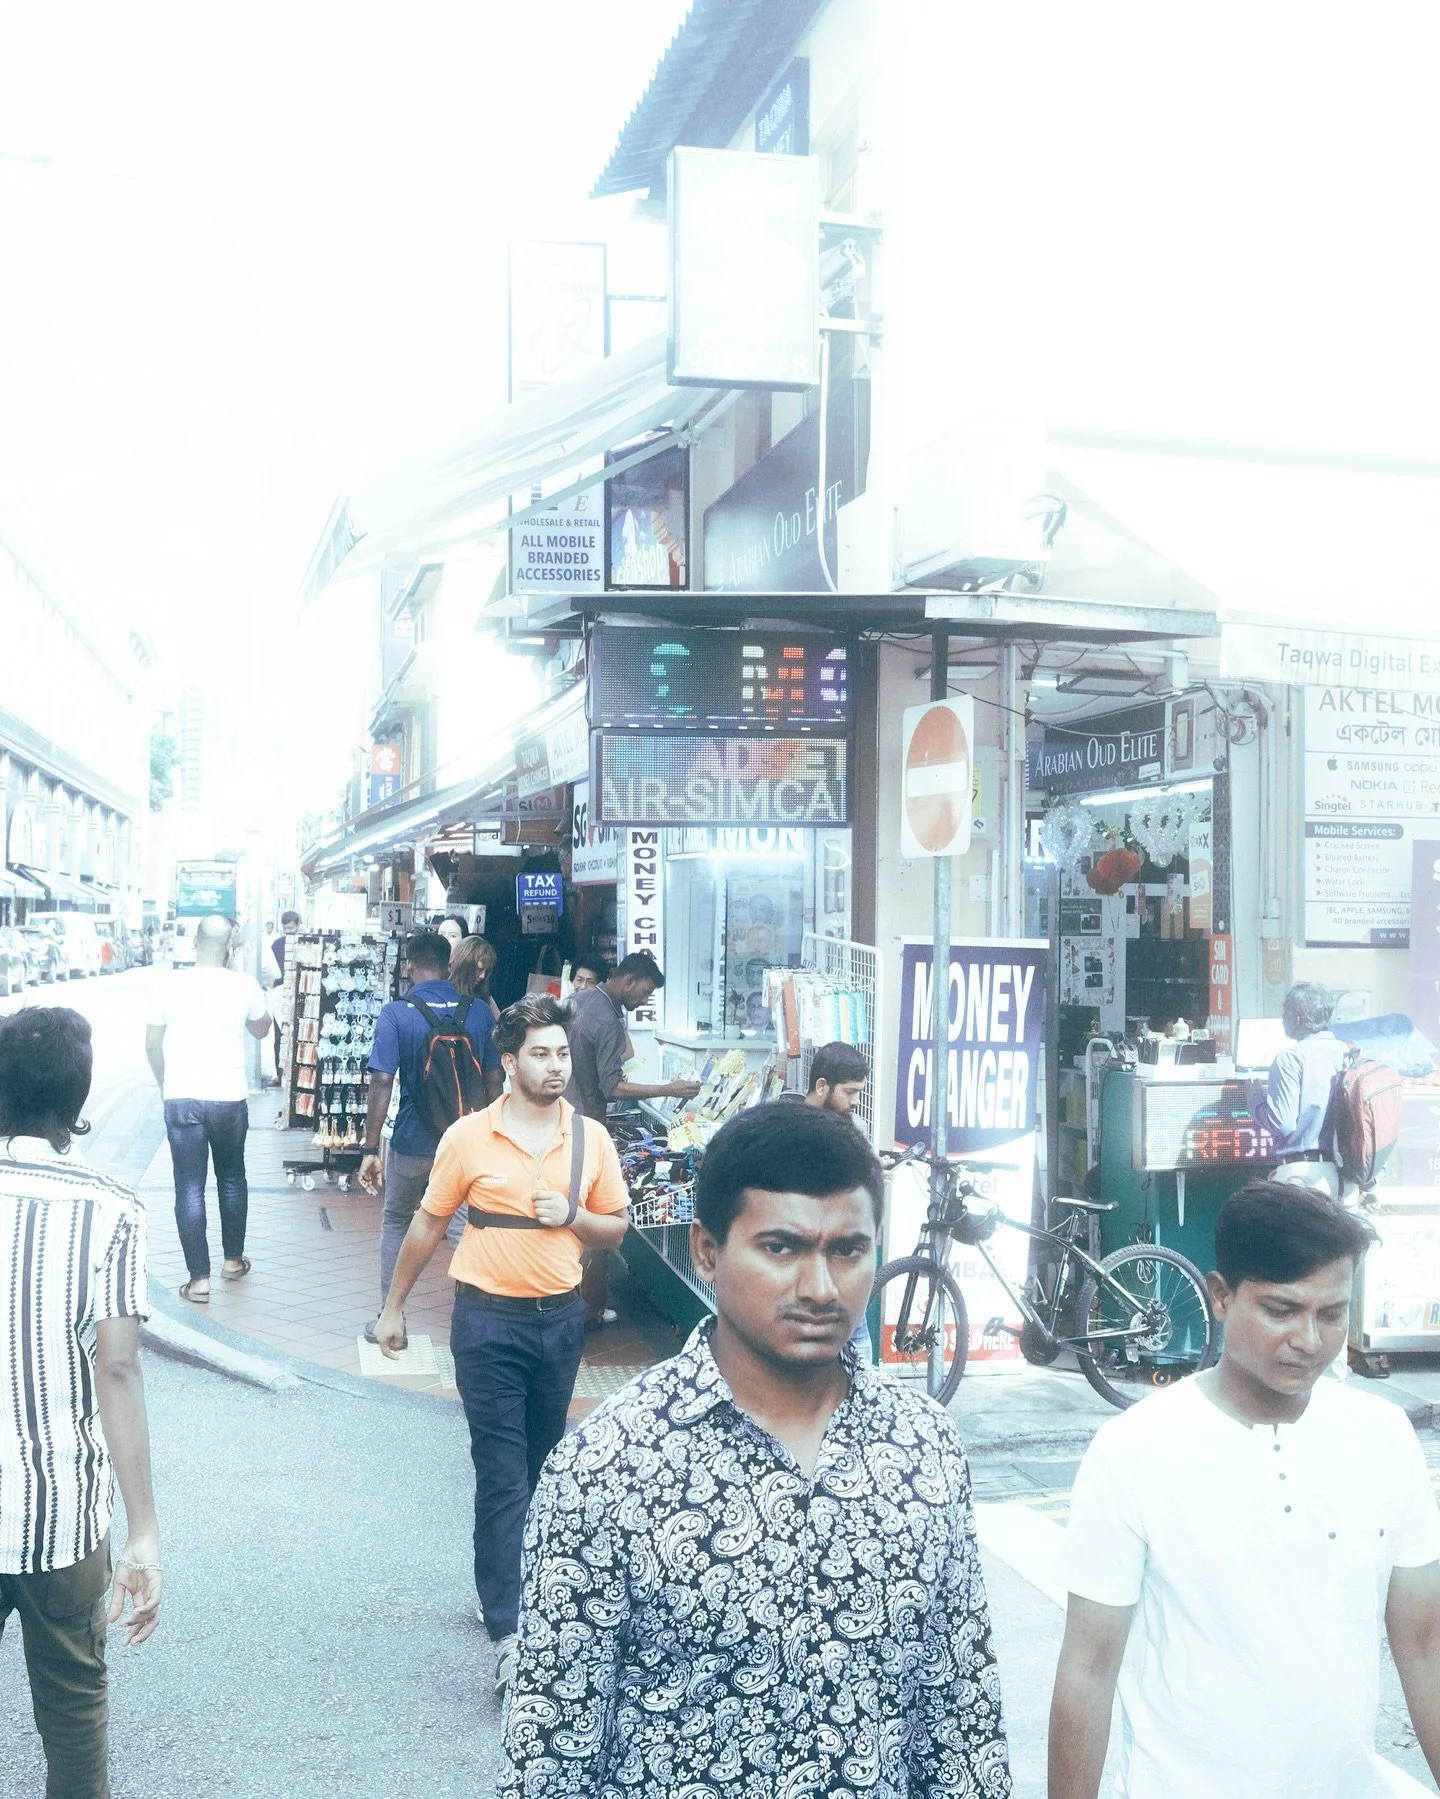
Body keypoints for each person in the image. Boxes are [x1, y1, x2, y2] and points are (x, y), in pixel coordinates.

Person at [499, 1102, 1012, 1795]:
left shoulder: (925, 1447)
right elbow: (549, 1758)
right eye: (781, 1248)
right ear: (707, 1251)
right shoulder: (606, 1467)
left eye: (847, 1250)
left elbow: (963, 1721)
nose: (820, 1288)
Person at [1049, 1179, 1440, 1799]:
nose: (1309, 1340)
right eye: (1281, 1310)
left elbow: (1424, 1643)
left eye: (1331, 1314)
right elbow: (1088, 1668)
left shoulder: (1384, 1436)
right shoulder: (1134, 1449)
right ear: (1221, 1296)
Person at [374, 994, 630, 1692]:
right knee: (501, 1472)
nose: (556, 1066)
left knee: (545, 1467)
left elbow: (615, 1227)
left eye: (562, 1053)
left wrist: (573, 1215)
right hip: (486, 1323)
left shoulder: (591, 1139)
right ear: (510, 1062)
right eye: (541, 1054)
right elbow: (428, 1223)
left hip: (560, 1322)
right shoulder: (469, 1136)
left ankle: (536, 1590)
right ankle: (509, 1629)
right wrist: (393, 1307)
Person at [0, 1008, 162, 1798]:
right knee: (72, 1714)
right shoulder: (112, 1209)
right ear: (77, 1098)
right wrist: (144, 1532)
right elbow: (118, 1370)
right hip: (59, 1513)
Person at [360, 930, 503, 1340]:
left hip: (412, 1141)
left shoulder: (396, 1013)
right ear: (448, 965)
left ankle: (391, 1318)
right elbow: (495, 1081)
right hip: (467, 1143)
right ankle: (483, 1320)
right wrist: (497, 1138)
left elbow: (382, 1081)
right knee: (465, 1226)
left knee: (397, 1220)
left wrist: (370, 1147)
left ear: (410, 965)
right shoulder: (479, 1012)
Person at [145, 914, 271, 1303]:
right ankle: (233, 1261)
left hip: (181, 1095)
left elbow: (151, 1044)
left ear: (195, 942)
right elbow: (262, 1029)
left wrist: (165, 1084)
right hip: (228, 1096)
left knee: (188, 1186)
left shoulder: (168, 984)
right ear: (231, 946)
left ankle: (198, 1280)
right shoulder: (244, 984)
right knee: (231, 1177)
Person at [563, 951, 701, 1120]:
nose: (645, 1001)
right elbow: (613, 1088)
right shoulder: (608, 1021)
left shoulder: (575, 1000)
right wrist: (668, 1089)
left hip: (557, 1112)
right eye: (645, 992)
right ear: (628, 982)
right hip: (583, 1119)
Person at [1254, 981, 1352, 1197]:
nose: (1282, 1019)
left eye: (1284, 1012)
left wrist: (1254, 1098)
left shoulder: (1290, 1059)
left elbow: (1282, 1124)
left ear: (1297, 1018)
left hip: (1303, 1176)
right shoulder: (1348, 1054)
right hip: (1347, 1179)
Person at [267, 909, 302, 1086]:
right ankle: (280, 1074)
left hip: (298, 991)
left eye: (291, 928)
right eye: (286, 929)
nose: (289, 932)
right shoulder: (276, 945)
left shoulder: (304, 943)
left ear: (298, 925)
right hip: (280, 993)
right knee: (280, 1035)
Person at [449, 933, 501, 1023]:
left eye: (486, 971)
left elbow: (500, 1026)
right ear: (466, 964)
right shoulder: (444, 989)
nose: (483, 976)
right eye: (479, 969)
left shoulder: (484, 996)